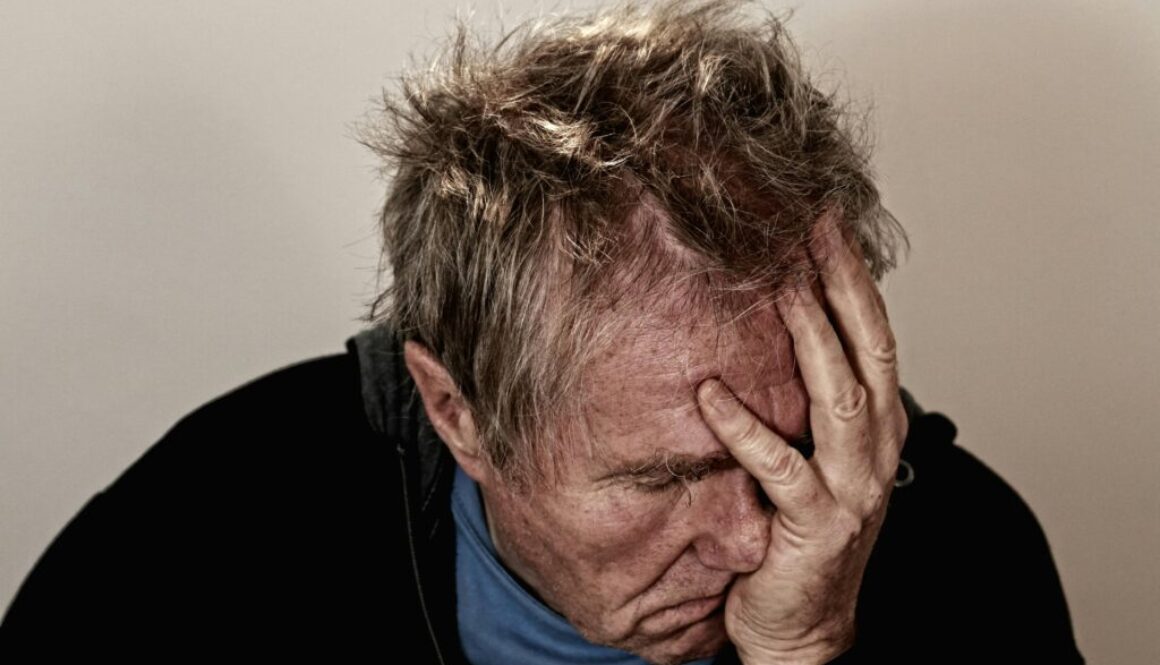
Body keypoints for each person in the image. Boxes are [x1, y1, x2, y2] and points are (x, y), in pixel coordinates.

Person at [0, 1, 1084, 663]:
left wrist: (803, 654)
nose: (757, 541)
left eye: (788, 450)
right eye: (662, 478)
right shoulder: (205, 541)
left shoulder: (961, 555)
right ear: (456, 411)